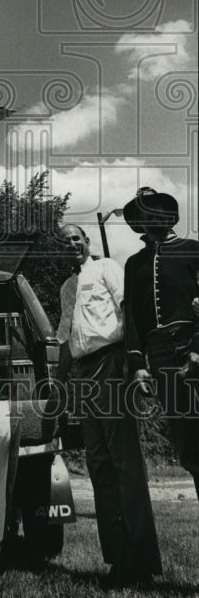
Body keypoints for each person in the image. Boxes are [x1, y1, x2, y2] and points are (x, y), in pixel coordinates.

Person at [59, 223, 161, 588]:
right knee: (99, 464)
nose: (71, 244)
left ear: (86, 241)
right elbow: (64, 341)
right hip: (83, 376)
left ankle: (142, 564)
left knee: (125, 463)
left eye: (75, 238)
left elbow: (129, 314)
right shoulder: (66, 287)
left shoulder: (107, 268)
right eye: (64, 241)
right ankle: (117, 561)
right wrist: (58, 385)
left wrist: (137, 365)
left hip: (112, 364)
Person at [122, 188, 199, 499]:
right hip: (160, 355)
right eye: (143, 214)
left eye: (155, 212)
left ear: (170, 217)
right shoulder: (134, 264)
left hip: (193, 345)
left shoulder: (194, 249)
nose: (150, 218)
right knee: (188, 444)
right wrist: (138, 365)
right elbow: (133, 318)